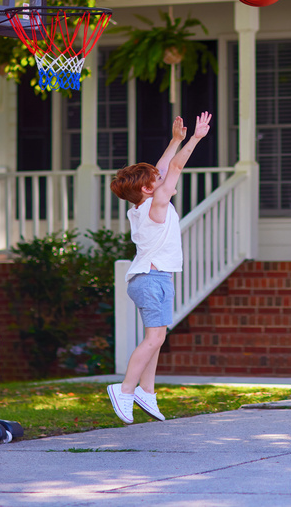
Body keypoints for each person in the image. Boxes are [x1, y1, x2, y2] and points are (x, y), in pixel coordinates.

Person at [105, 111, 212, 424]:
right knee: (154, 338)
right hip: (151, 279)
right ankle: (125, 389)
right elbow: (175, 166)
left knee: (157, 336)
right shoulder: (156, 206)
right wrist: (194, 139)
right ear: (150, 190)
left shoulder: (142, 205)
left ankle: (146, 391)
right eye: (158, 181)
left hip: (153, 277)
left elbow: (163, 168)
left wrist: (174, 140)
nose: (164, 179)